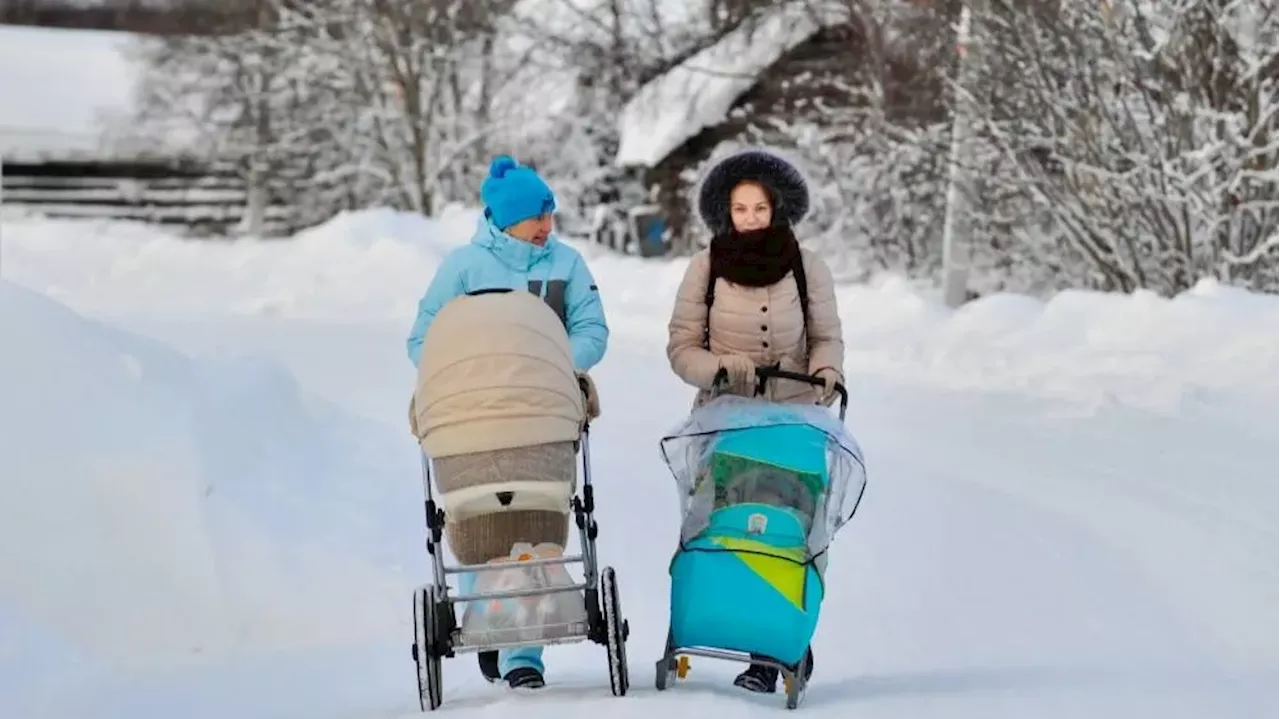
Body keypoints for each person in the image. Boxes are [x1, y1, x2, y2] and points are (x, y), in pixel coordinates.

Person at [405, 154, 608, 690]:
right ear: (505, 218)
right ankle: (486, 618)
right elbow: (422, 343)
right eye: (536, 216)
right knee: (484, 524)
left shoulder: (566, 266)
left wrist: (554, 364)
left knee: (530, 528)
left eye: (550, 214)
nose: (548, 226)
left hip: (540, 412)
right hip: (476, 414)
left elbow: (592, 328)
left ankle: (524, 657)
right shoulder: (464, 269)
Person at [665, 147, 845, 693]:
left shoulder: (806, 266)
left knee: (789, 534)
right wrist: (720, 369)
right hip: (727, 422)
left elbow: (826, 337)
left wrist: (827, 371)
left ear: (778, 209)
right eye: (739, 209)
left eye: (759, 209)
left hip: (794, 420)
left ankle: (774, 652)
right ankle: (723, 621)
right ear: (725, 212)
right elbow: (680, 348)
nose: (749, 219)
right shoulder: (707, 267)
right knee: (731, 529)